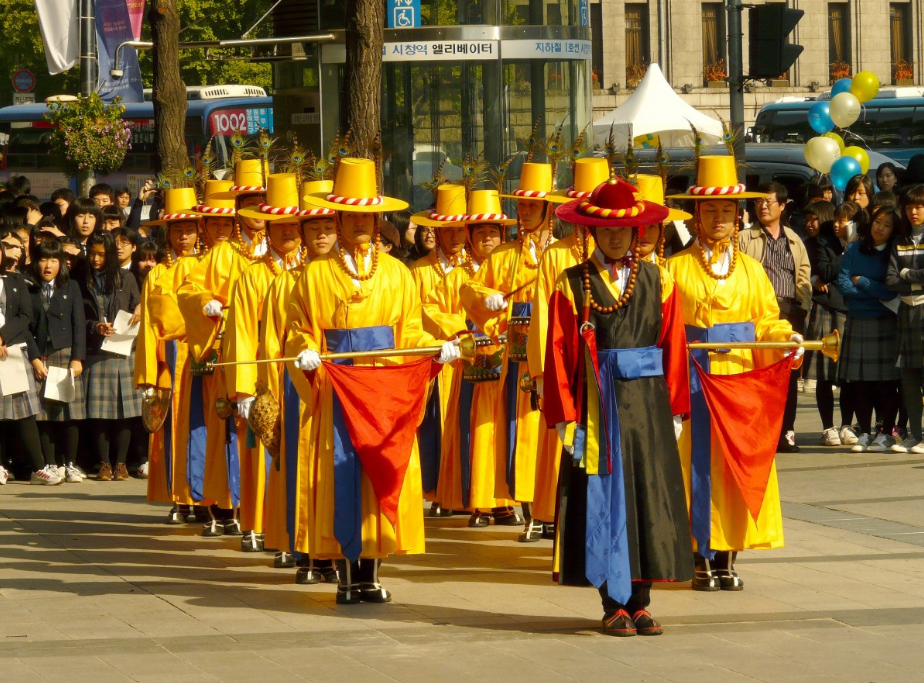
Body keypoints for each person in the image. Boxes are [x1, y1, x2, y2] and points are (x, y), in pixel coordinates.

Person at [286, 157, 459, 604]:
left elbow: (411, 331)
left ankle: (372, 572)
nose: (361, 223)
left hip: (383, 392)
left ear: (378, 219)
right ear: (338, 218)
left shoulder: (398, 274)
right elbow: (298, 327)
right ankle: (345, 574)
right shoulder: (314, 274)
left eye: (368, 215)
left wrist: (434, 347)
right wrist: (304, 352)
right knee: (343, 478)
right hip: (339, 388)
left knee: (380, 473)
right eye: (352, 216)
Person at [543, 175, 693, 636]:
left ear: (636, 232)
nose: (615, 236)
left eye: (624, 229)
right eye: (606, 229)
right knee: (604, 500)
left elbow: (674, 344)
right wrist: (567, 419)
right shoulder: (572, 283)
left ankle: (642, 601)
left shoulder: (658, 279)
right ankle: (612, 603)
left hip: (647, 408)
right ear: (591, 231)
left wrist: (674, 410)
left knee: (648, 497)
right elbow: (558, 353)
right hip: (598, 405)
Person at [665, 155, 798, 591]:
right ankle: (699, 554)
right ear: (697, 216)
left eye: (726, 211)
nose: (719, 218)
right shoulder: (674, 268)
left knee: (736, 465)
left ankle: (728, 555)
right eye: (710, 210)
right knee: (695, 467)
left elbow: (767, 320)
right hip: (694, 380)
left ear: (737, 216)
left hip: (739, 381)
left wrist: (785, 340)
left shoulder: (753, 270)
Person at [257, 178, 339, 583]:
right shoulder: (284, 282)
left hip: (345, 387)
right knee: (301, 469)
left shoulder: (357, 279)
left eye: (328, 226)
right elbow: (271, 342)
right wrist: (263, 388)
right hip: (300, 387)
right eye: (313, 227)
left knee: (338, 469)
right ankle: (307, 550)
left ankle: (340, 551)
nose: (321, 235)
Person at [423, 188, 519, 528]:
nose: (489, 237)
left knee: (504, 428)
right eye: (481, 231)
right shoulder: (458, 277)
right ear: (470, 236)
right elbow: (430, 309)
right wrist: (463, 333)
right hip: (472, 358)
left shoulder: (511, 267)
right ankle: (479, 502)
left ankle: (504, 502)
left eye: (494, 231)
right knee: (477, 429)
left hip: (507, 360)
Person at [523, 157, 608, 538]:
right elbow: (544, 315)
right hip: (572, 366)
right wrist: (542, 372)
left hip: (610, 366)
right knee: (569, 441)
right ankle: (566, 521)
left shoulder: (628, 258)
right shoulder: (557, 255)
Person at [224, 174, 309, 555]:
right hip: (267, 376)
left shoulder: (315, 273)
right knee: (265, 455)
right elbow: (240, 332)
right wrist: (243, 386)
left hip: (308, 376)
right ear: (267, 229)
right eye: (280, 225)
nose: (288, 232)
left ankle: (302, 531)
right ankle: (258, 524)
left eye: (295, 225)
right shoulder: (253, 276)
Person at [177, 180, 257, 536]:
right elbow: (189, 289)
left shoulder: (290, 252)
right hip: (232, 348)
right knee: (231, 428)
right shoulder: (223, 253)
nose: (258, 212)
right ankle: (229, 502)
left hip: (273, 351)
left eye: (264, 202)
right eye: (251, 204)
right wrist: (204, 301)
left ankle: (268, 505)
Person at [135, 188, 203, 521]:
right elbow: (148, 327)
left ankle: (208, 497)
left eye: (189, 228)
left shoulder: (207, 267)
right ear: (168, 233)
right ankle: (180, 496)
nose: (184, 236)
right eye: (177, 230)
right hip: (172, 357)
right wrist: (149, 374)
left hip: (204, 354)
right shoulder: (157, 275)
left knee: (204, 428)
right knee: (174, 428)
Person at [409, 184, 470, 512]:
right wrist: (453, 331)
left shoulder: (475, 268)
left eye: (461, 229)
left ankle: (462, 490)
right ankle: (437, 492)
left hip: (467, 357)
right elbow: (416, 312)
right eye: (450, 230)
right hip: (436, 358)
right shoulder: (418, 271)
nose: (457, 237)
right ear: (437, 231)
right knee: (434, 425)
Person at [739, 181, 811, 452]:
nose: (763, 206)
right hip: (757, 312)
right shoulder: (744, 238)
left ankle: (787, 430)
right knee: (759, 371)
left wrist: (803, 305)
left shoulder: (794, 239)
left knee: (789, 374)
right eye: (759, 202)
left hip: (789, 310)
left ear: (782, 205)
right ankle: (761, 430)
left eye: (769, 201)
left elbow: (802, 274)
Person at [836, 206, 901, 453]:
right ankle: (864, 431)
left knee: (885, 383)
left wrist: (862, 281)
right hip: (857, 319)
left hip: (885, 321)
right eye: (877, 221)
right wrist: (873, 292)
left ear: (893, 230)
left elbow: (891, 289)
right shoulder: (854, 248)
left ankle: (885, 432)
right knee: (860, 382)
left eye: (886, 224)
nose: (880, 227)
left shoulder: (893, 252)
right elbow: (842, 283)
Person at [0, 230, 61, 485]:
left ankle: (38, 467)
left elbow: (26, 317)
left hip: (12, 351)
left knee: (23, 412)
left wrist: (2, 337)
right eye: (7, 245)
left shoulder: (17, 280)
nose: (12, 250)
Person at [81, 231, 141, 481]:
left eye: (101, 254)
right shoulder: (81, 279)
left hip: (123, 349)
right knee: (99, 411)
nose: (95, 259)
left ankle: (121, 463)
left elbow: (137, 304)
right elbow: (78, 316)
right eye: (92, 253)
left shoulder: (126, 277)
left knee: (124, 411)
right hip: (97, 351)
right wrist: (95, 326)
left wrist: (140, 308)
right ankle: (104, 462)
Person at [29, 240, 86, 483]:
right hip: (40, 355)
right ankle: (50, 463)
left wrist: (77, 358)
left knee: (69, 411)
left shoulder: (71, 286)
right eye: (43, 259)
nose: (48, 265)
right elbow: (25, 327)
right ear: (36, 262)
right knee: (45, 413)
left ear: (61, 263)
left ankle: (70, 463)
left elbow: (79, 324)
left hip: (65, 352)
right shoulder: (27, 287)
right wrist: (34, 359)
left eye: (54, 260)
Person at [801, 200, 849, 445]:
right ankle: (828, 427)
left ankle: (849, 425)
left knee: (850, 374)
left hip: (849, 308)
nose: (810, 224)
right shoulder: (821, 243)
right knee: (823, 373)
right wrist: (848, 252)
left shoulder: (861, 243)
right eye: (807, 219)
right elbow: (827, 271)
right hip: (826, 307)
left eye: (815, 219)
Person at [886, 185, 924, 453]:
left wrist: (906, 274)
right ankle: (915, 435)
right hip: (906, 313)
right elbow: (889, 279)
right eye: (909, 207)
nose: (913, 211)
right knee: (908, 379)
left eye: (919, 206)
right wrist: (914, 277)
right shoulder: (898, 241)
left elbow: (901, 276)